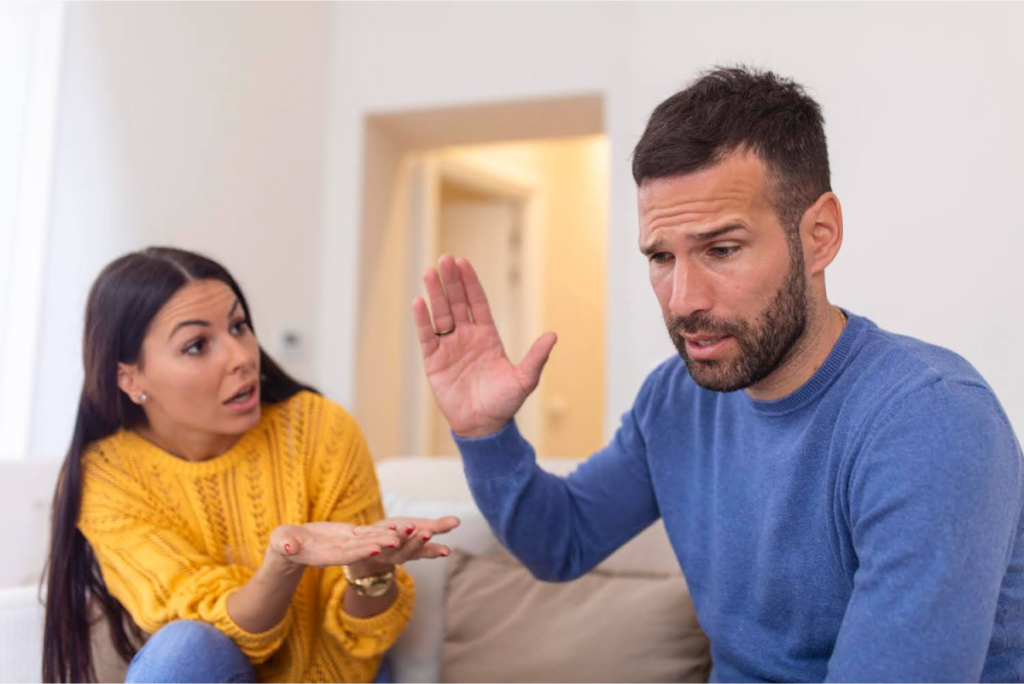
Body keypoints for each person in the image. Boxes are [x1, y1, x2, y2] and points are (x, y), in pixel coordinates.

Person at [412, 67, 1023, 682]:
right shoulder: (677, 397)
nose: (681, 301)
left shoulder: (930, 419)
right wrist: (485, 432)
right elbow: (562, 542)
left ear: (820, 235)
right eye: (661, 257)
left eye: (721, 249)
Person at [43, 247, 459, 684]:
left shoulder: (318, 429)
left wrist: (371, 571)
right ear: (131, 379)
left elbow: (362, 637)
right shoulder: (107, 477)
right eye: (197, 345)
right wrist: (284, 562)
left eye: (239, 327)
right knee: (184, 648)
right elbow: (209, 636)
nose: (241, 356)